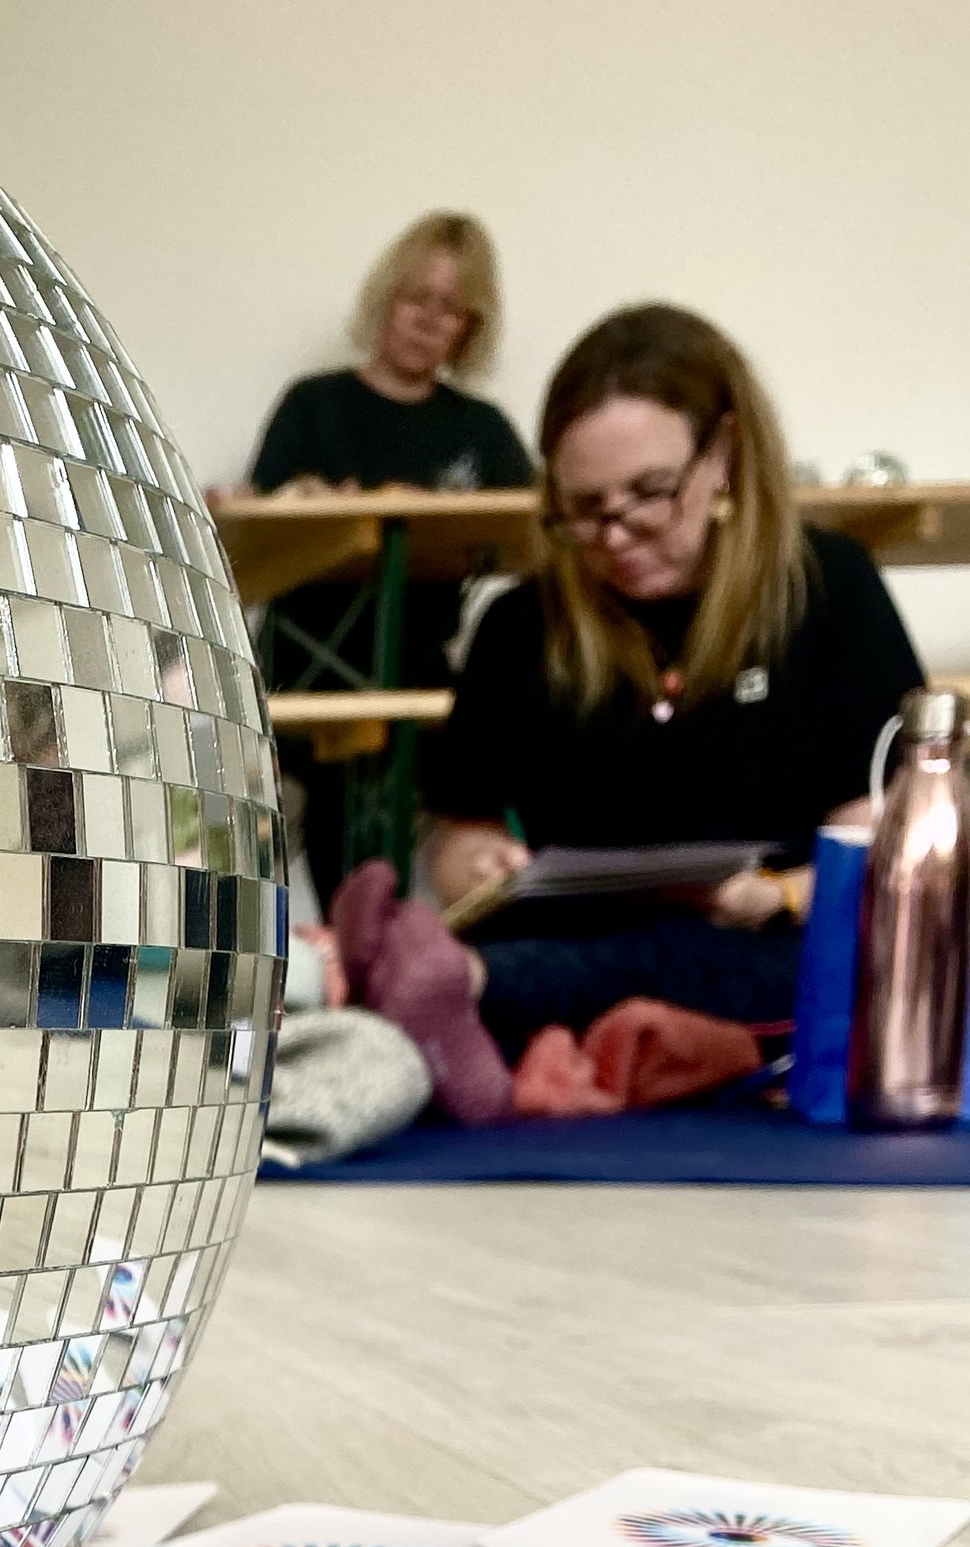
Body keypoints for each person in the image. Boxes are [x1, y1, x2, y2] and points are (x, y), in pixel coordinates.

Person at [343, 304, 926, 1121]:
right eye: (583, 509)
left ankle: (458, 997)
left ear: (722, 454)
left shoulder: (829, 588)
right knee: (559, 952)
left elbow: (881, 846)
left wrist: (780, 894)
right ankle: (474, 1011)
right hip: (570, 928)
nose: (614, 536)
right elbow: (459, 833)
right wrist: (478, 865)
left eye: (650, 495)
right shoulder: (519, 625)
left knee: (799, 967)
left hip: (765, 945)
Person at [245, 213, 533, 895]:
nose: (428, 320)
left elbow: (530, 538)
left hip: (419, 685)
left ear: (470, 328)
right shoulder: (313, 405)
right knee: (258, 855)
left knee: (445, 856)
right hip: (306, 683)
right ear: (386, 299)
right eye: (416, 298)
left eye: (451, 309)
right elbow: (260, 527)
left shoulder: (482, 431)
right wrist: (315, 501)